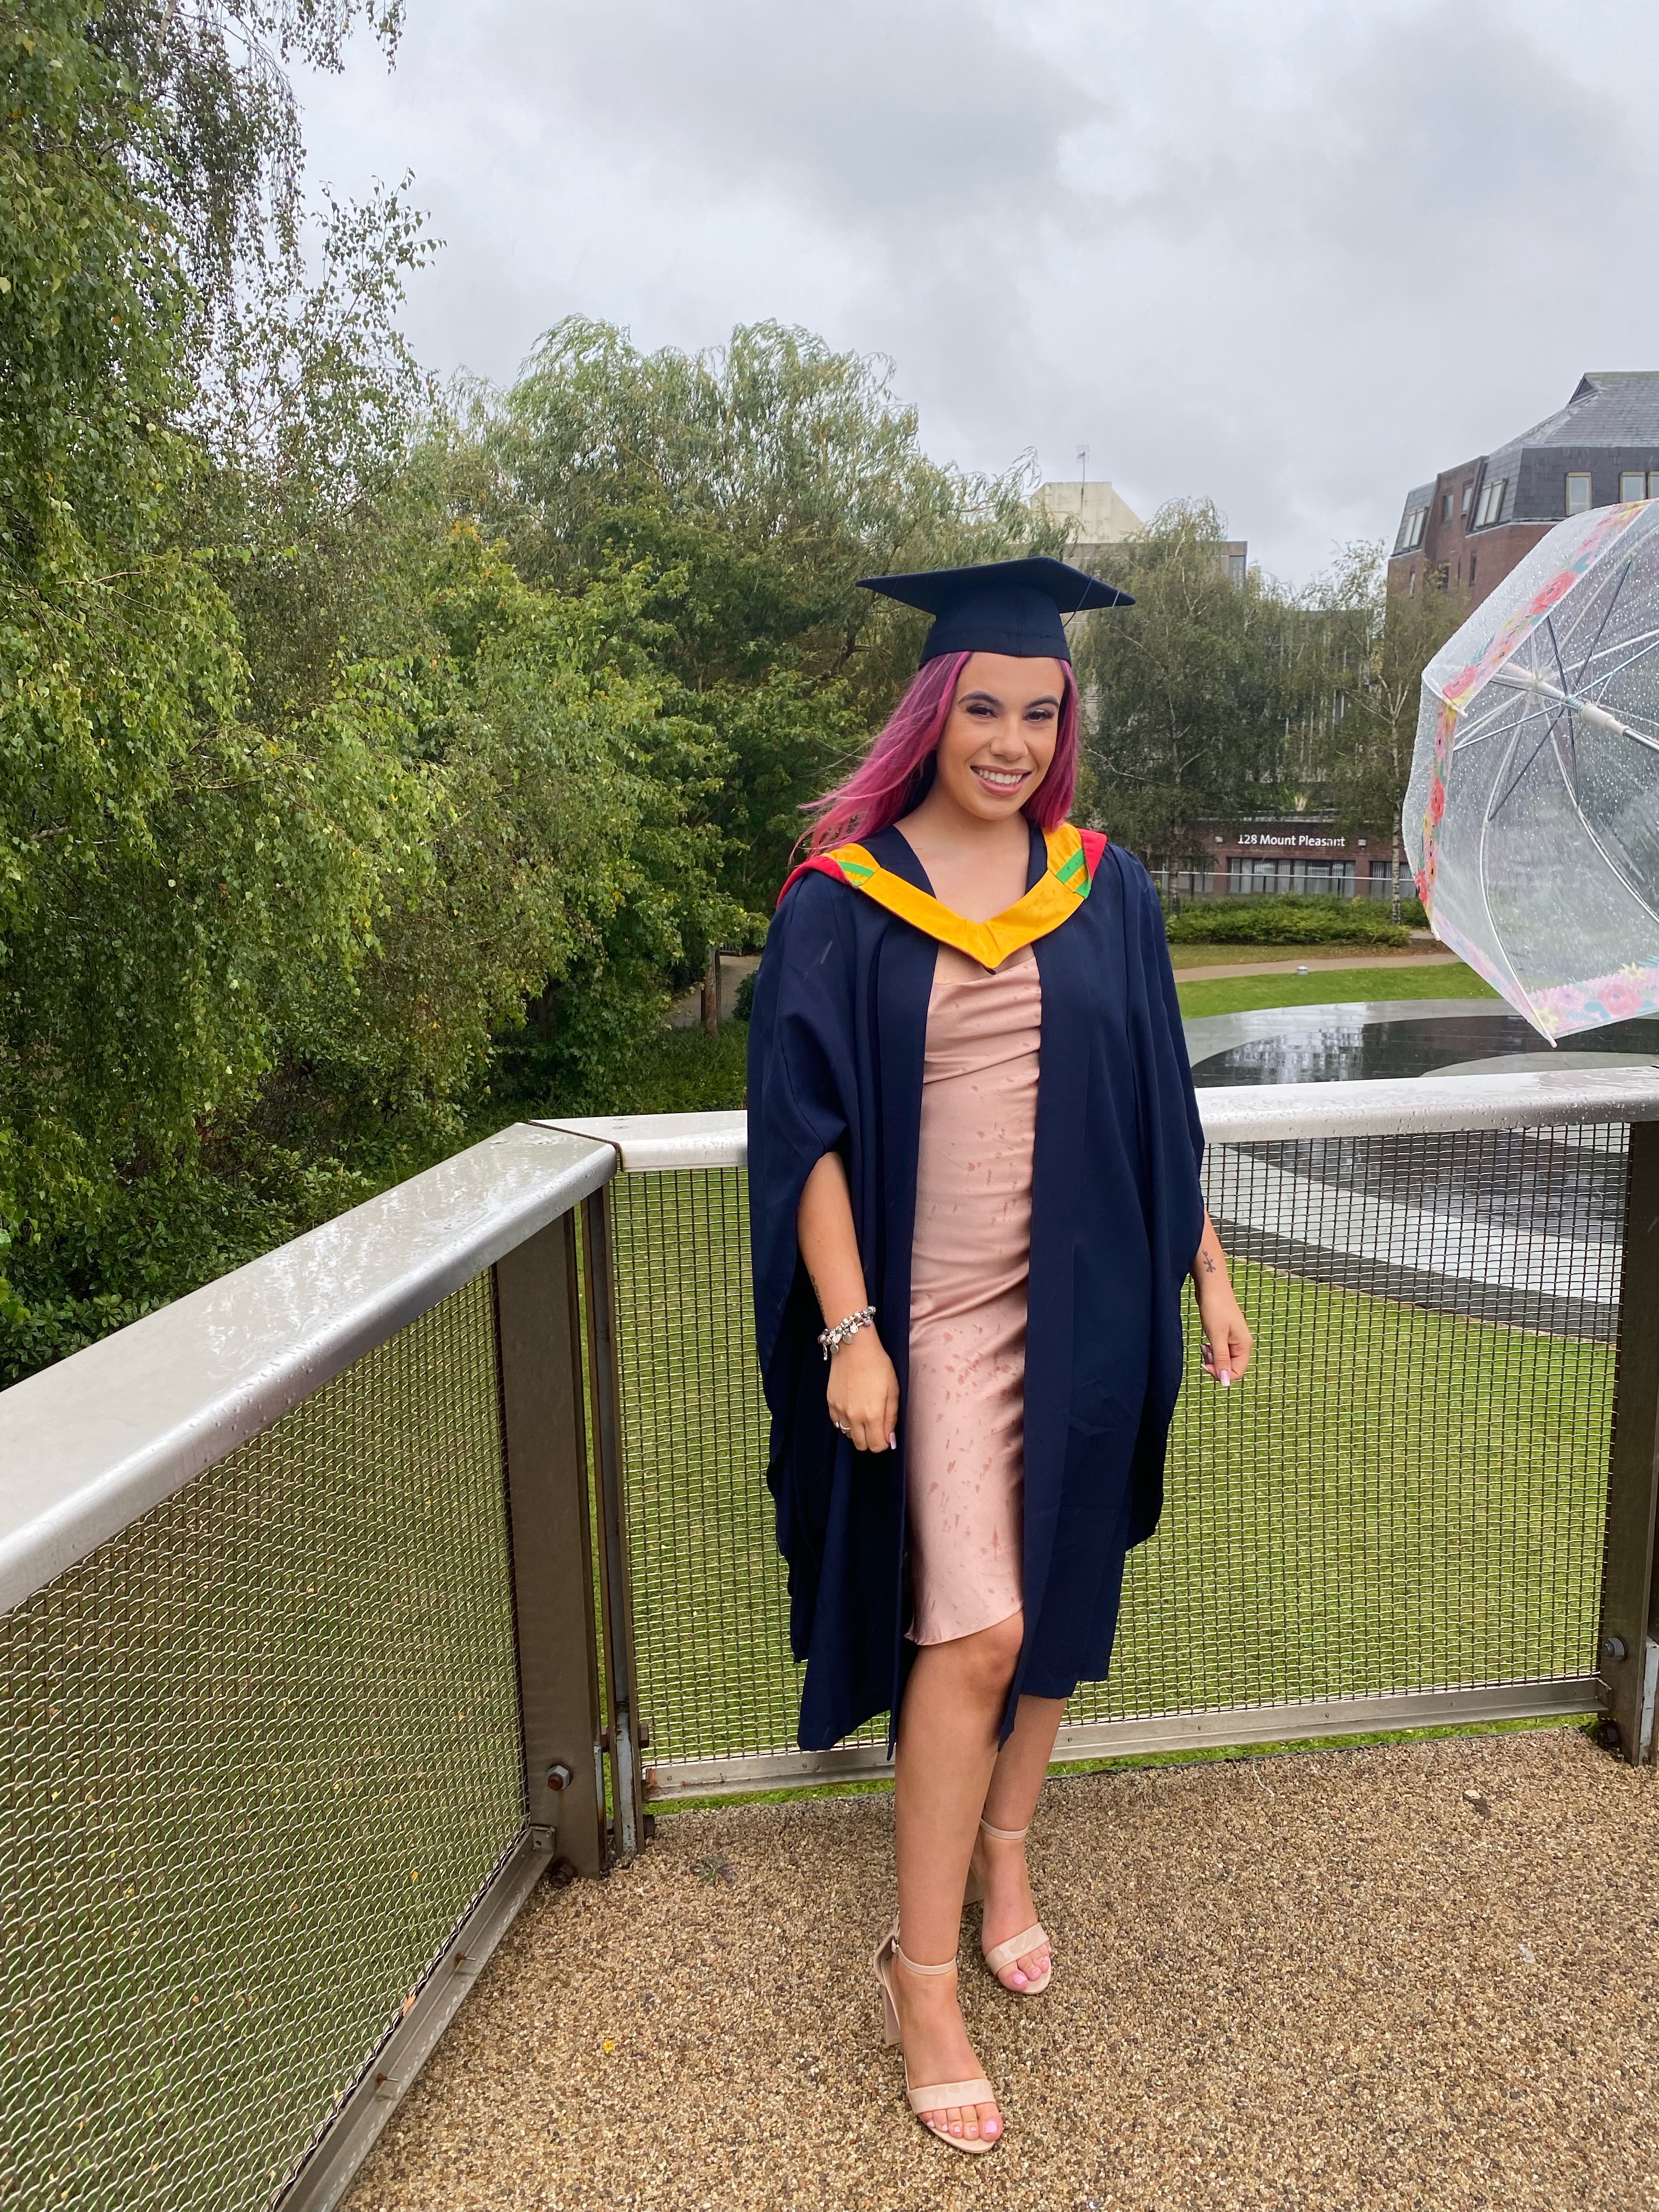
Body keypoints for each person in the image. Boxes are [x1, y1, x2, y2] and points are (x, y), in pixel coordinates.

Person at [746, 557, 1252, 2154]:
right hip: (938, 1322)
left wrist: (1213, 1276)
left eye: (1042, 711)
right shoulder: (843, 897)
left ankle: (1008, 1852)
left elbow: (1161, 1107)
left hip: (1092, 1301)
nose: (1014, 739)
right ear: (932, 713)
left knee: (1063, 1591)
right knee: (972, 1631)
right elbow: (806, 1136)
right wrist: (851, 1329)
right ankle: (919, 1976)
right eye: (986, 708)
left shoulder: (1107, 883)